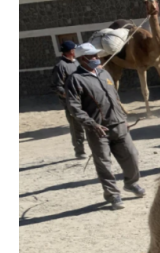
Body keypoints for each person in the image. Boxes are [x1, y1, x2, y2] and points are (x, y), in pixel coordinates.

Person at [65, 43, 145, 211]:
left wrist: (123, 118)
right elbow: (74, 107)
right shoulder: (75, 80)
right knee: (104, 163)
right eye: (92, 56)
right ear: (82, 59)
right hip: (98, 130)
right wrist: (91, 124)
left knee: (132, 155)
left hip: (119, 125)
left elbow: (115, 97)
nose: (97, 58)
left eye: (97, 55)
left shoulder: (104, 73)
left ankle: (131, 184)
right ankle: (112, 194)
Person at [50, 40, 86, 159]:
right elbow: (56, 86)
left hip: (83, 99)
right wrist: (69, 96)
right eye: (75, 49)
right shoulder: (60, 66)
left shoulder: (76, 63)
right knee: (77, 127)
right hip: (71, 102)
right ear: (71, 51)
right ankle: (79, 151)